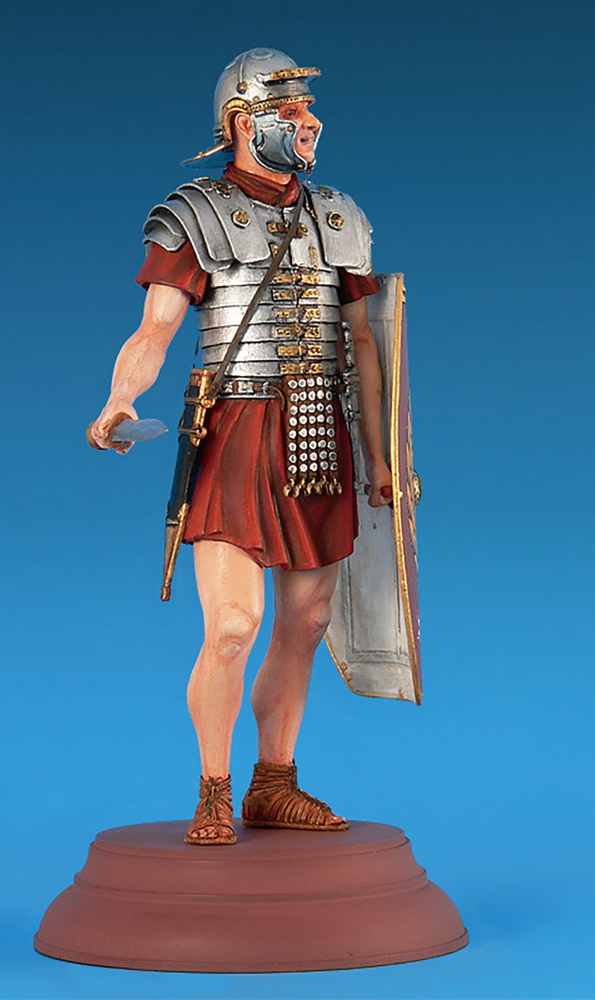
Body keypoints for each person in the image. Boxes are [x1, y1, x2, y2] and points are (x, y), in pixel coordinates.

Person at [91, 49, 392, 846]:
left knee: (307, 620)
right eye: (290, 112)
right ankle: (214, 789)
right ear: (242, 123)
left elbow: (364, 346)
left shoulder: (339, 217)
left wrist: (381, 457)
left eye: (309, 109)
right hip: (236, 432)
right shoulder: (195, 213)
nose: (310, 123)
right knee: (231, 624)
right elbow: (155, 331)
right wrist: (120, 397)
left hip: (318, 430)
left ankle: (273, 784)